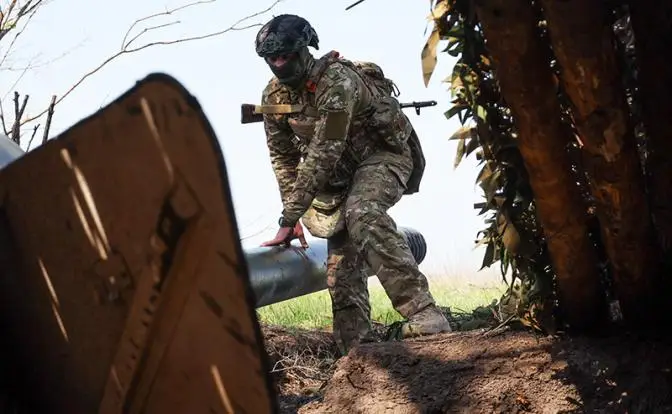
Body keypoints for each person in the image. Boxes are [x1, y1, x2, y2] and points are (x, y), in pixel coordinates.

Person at [255, 14, 452, 354]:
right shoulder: (274, 96)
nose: (278, 64)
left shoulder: (337, 82)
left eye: (284, 56)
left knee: (364, 212)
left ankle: (425, 315)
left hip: (383, 157)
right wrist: (293, 217)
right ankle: (357, 354)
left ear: (304, 49)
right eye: (271, 58)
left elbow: (325, 150)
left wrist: (289, 216)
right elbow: (283, 158)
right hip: (337, 180)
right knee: (341, 268)